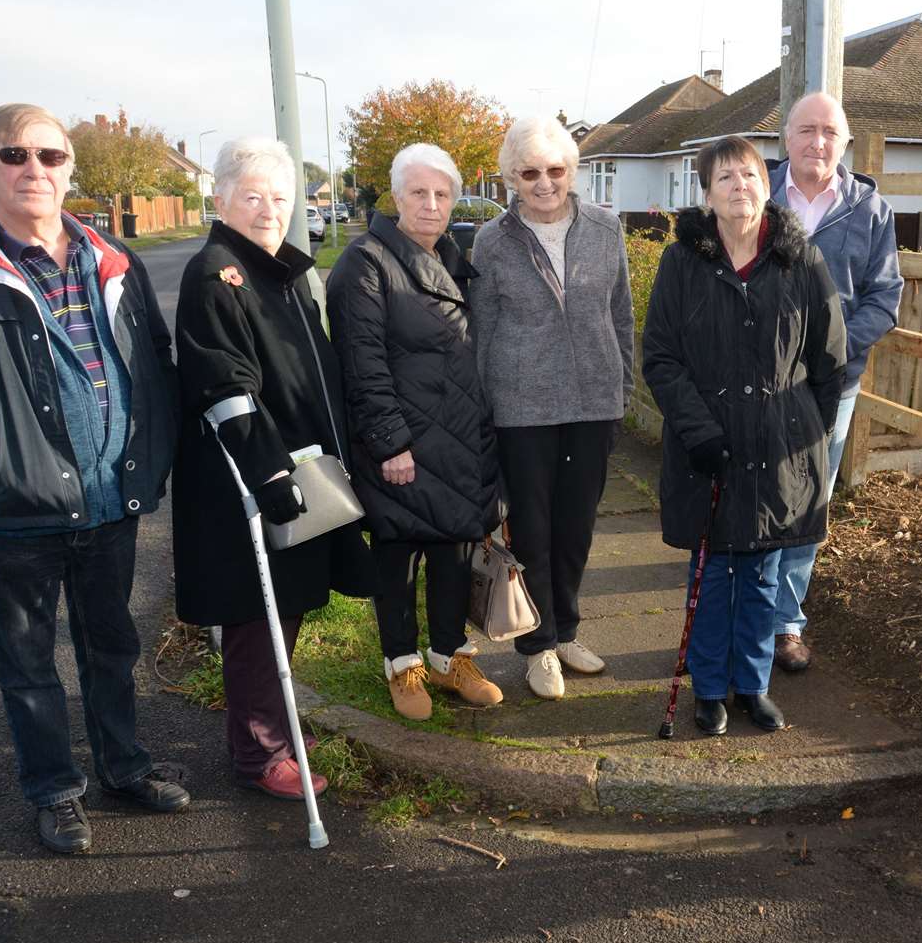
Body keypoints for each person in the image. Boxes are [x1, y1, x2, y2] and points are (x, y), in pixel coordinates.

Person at [0, 103, 189, 854]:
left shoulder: (115, 261)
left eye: (50, 157)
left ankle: (123, 767)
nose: (34, 170)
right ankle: (54, 789)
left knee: (112, 647)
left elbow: (151, 361)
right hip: (16, 512)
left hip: (110, 500)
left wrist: (148, 453)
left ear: (69, 169)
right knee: (27, 660)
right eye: (14, 155)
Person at [172, 137, 375, 798]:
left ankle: (278, 725)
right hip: (257, 481)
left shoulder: (276, 270)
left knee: (286, 607)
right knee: (255, 613)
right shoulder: (217, 273)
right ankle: (258, 755)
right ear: (222, 198)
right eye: (253, 195)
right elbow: (227, 386)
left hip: (301, 469)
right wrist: (268, 476)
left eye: (279, 197)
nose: (267, 209)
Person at [642, 136, 846, 735]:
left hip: (779, 453)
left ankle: (753, 686)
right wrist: (697, 430)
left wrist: (808, 430)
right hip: (708, 451)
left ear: (767, 185)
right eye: (726, 178)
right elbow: (661, 358)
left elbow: (829, 358)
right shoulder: (683, 264)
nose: (740, 187)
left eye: (751, 176)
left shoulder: (799, 258)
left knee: (764, 575)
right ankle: (709, 690)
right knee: (710, 574)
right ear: (706, 194)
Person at [326, 144, 504, 721]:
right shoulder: (366, 263)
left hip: (461, 437)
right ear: (396, 195)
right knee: (399, 557)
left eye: (442, 193)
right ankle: (402, 665)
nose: (431, 204)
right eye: (419, 192)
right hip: (404, 443)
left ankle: (450, 657)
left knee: (455, 549)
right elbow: (362, 362)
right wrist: (389, 442)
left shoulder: (456, 256)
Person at [468, 117, 634, 700]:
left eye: (556, 170)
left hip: (593, 404)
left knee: (577, 528)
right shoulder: (491, 242)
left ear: (573, 171)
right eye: (530, 173)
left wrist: (623, 392)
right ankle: (536, 647)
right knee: (532, 530)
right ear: (511, 177)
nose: (544, 183)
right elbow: (482, 334)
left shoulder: (606, 229)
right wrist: (485, 415)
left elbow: (621, 318)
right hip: (522, 408)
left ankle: (566, 631)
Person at [766, 92, 904, 673]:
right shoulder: (754, 192)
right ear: (786, 138)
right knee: (749, 495)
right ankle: (741, 612)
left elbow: (885, 297)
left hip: (831, 387)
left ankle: (785, 623)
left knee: (807, 501)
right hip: (755, 383)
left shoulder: (870, 211)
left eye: (829, 131)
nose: (817, 142)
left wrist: (831, 353)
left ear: (845, 142)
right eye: (806, 130)